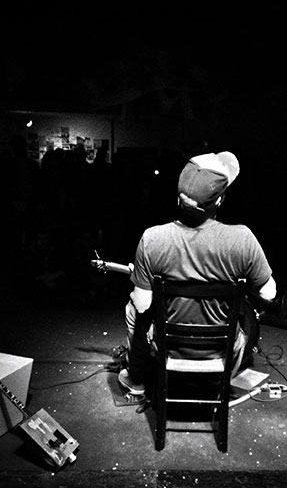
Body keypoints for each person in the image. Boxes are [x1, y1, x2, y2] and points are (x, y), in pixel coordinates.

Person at [118, 151, 278, 396]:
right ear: (220, 200)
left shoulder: (152, 238)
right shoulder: (243, 238)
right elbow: (268, 294)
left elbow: (142, 304)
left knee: (133, 309)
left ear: (179, 199)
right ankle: (215, 383)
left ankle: (136, 379)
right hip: (222, 352)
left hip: (168, 349)